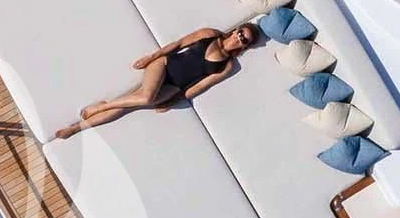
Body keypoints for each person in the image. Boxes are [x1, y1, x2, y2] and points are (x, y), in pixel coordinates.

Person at [55, 24, 261, 139]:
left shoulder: (226, 66)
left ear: (245, 46)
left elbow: (199, 87)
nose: (239, 38)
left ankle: (76, 128)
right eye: (241, 33)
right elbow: (178, 44)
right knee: (145, 98)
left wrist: (173, 101)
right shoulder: (209, 34)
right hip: (164, 65)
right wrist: (151, 57)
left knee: (128, 107)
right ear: (236, 30)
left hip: (174, 87)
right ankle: (99, 107)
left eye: (245, 40)